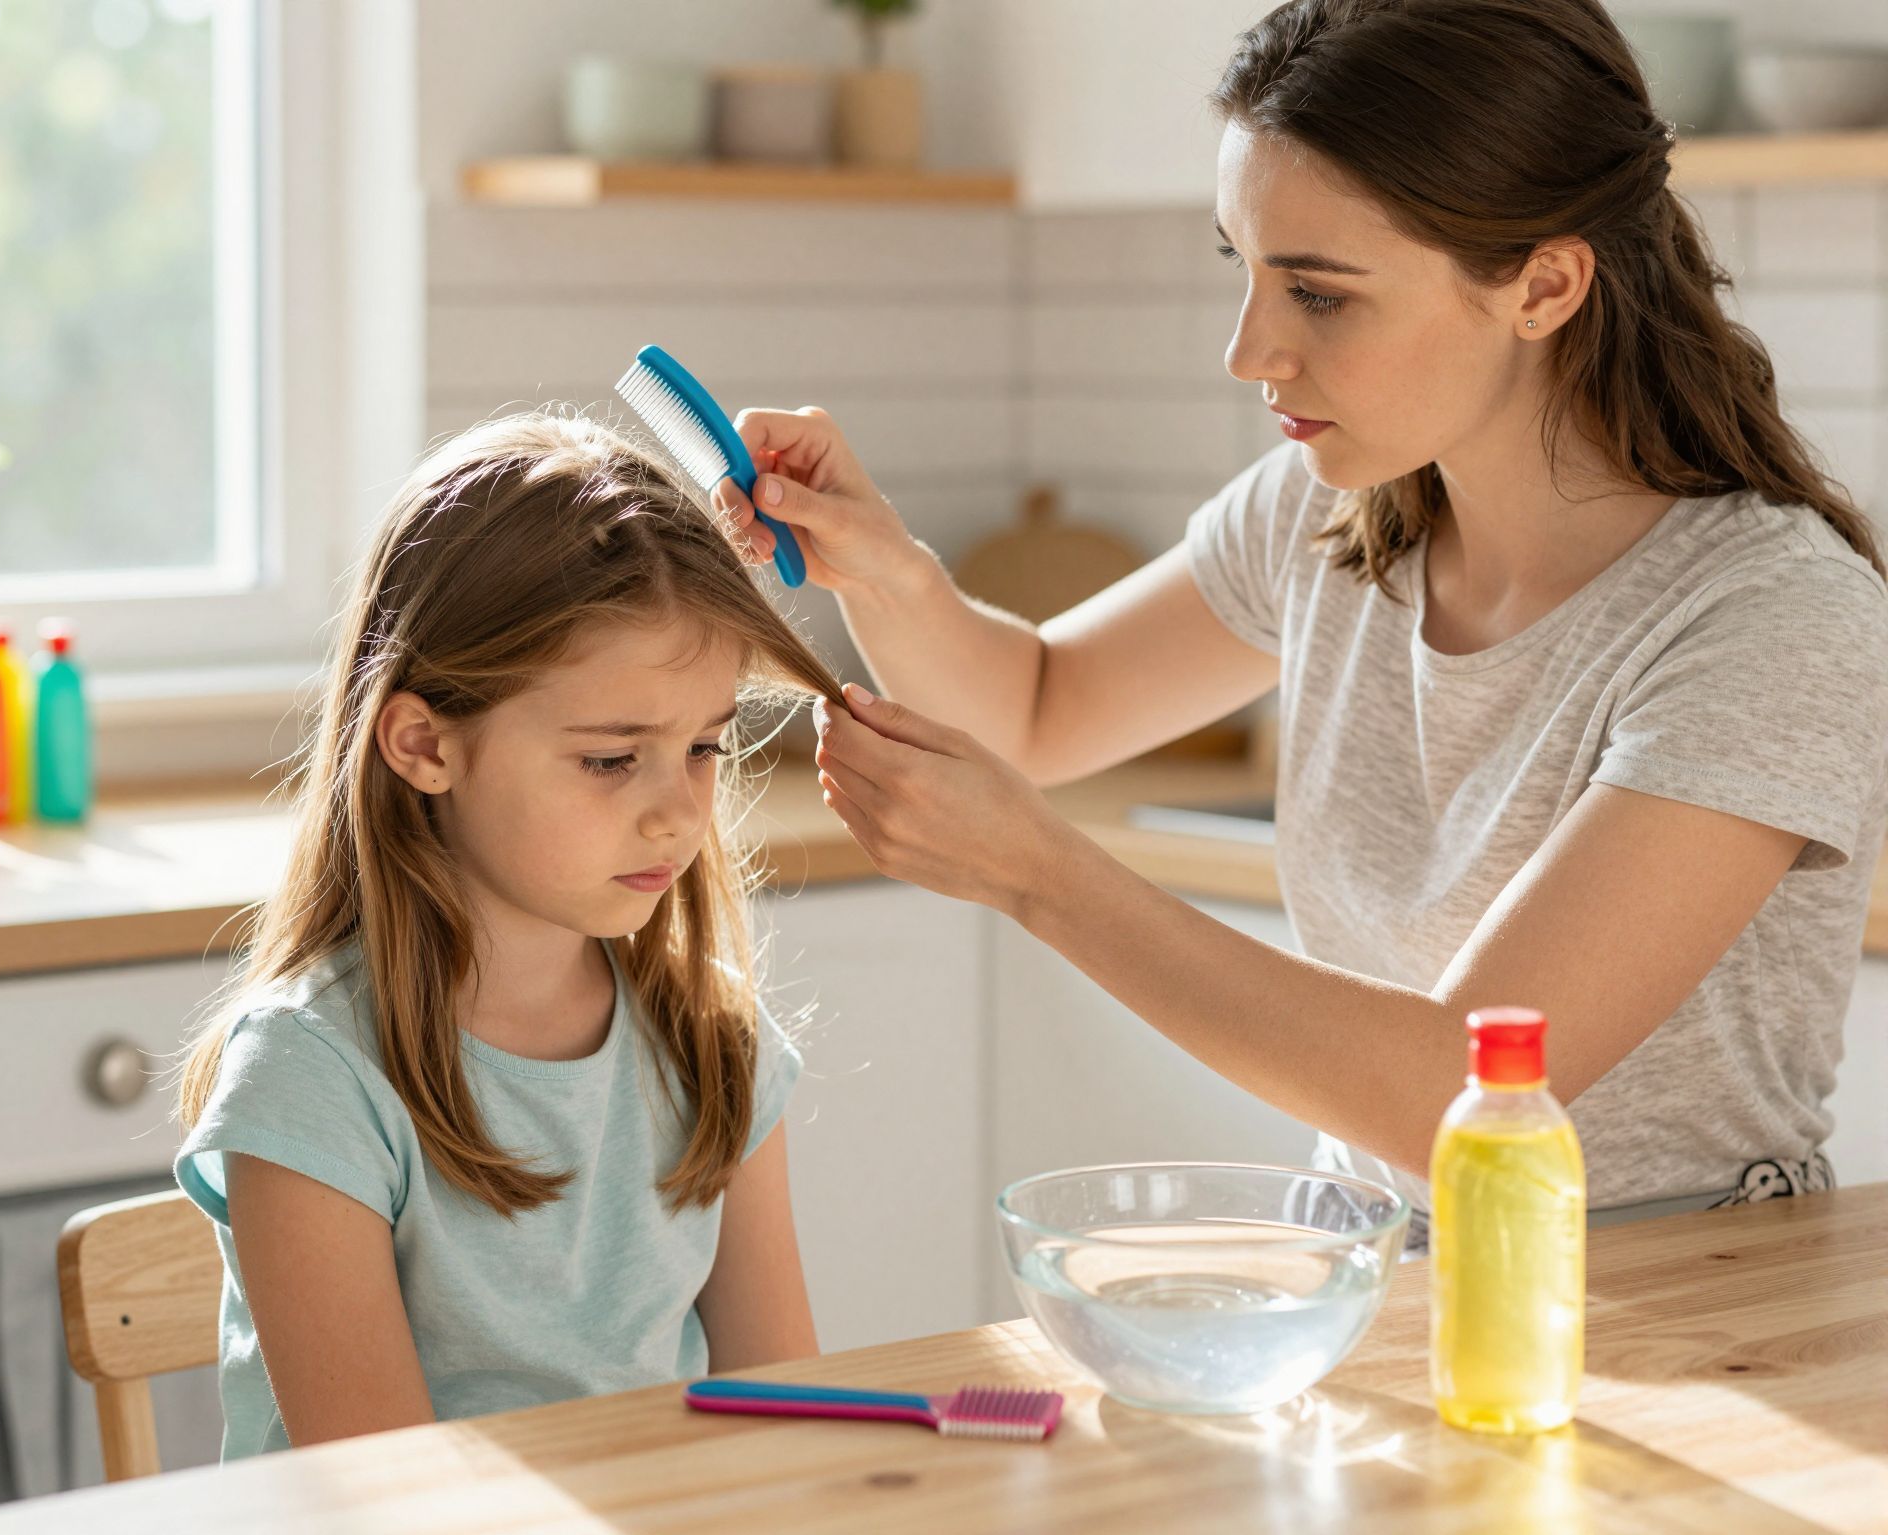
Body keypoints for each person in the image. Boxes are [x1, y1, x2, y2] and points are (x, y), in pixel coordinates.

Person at [717, 0, 1888, 1244]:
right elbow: (1036, 710)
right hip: (1377, 1284)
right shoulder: (1328, 514)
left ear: (1542, 285)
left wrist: (1037, 874)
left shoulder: (1769, 619)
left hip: (1683, 1316)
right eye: (1245, 268)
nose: (1248, 352)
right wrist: (881, 566)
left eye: (1318, 295)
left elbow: (1462, 1087)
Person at [174, 413, 837, 1456]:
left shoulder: (716, 1044)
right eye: (612, 759)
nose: (677, 811)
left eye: (704, 745)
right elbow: (387, 1501)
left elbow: (786, 1427)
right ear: (423, 744)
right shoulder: (312, 1077)